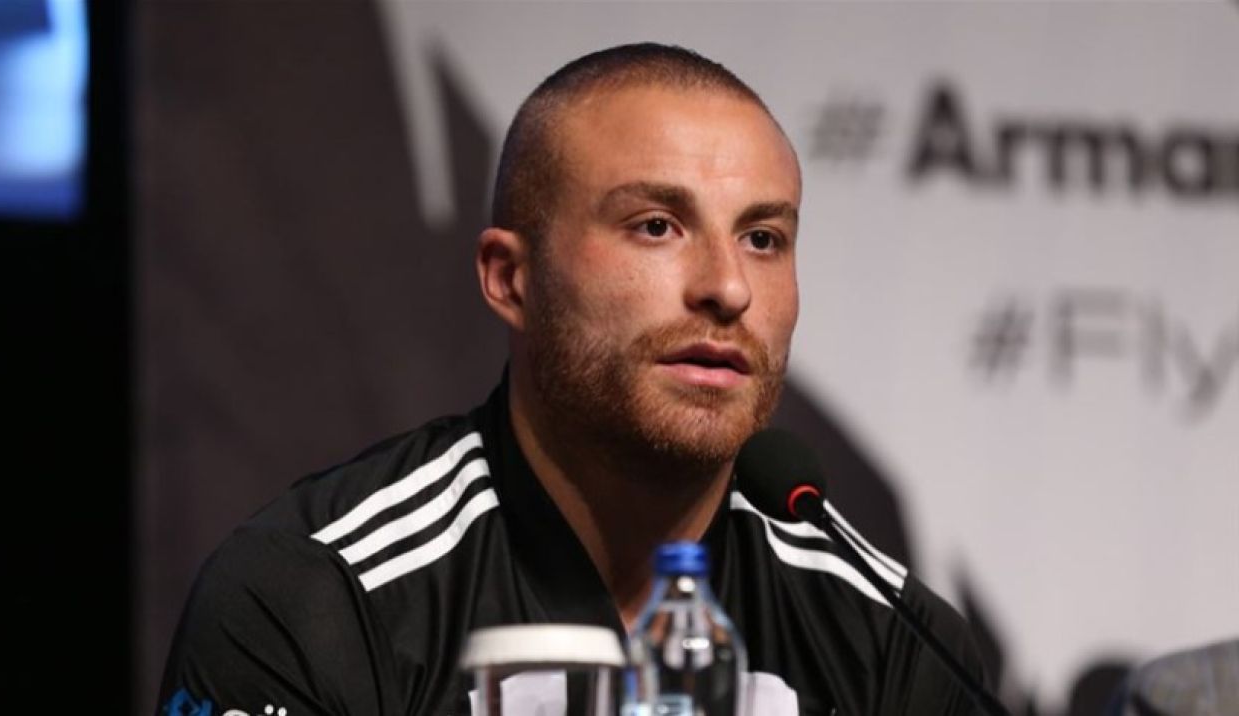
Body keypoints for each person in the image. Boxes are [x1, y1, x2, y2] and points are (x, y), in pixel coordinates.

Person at [159, 43, 987, 716]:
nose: (729, 288)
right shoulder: (319, 595)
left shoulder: (890, 639)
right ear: (509, 279)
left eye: (763, 238)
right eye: (656, 226)